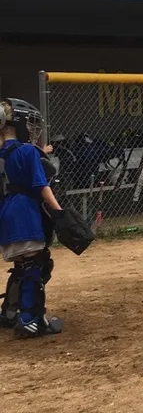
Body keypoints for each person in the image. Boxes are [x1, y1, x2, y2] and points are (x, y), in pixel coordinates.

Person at [0, 98, 65, 338]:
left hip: (6, 215)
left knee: (22, 265)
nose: (33, 130)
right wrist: (59, 213)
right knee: (37, 265)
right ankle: (30, 319)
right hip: (25, 214)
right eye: (29, 124)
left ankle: (9, 313)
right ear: (17, 125)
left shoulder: (4, 152)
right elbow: (41, 186)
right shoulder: (27, 151)